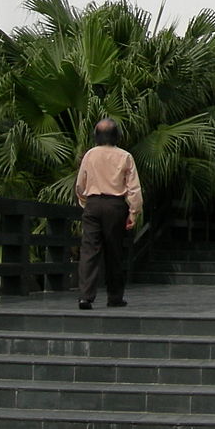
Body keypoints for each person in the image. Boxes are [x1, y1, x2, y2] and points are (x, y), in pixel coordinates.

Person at [74, 118, 143, 310]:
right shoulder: (125, 156)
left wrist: (85, 202)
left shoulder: (90, 155)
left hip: (93, 203)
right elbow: (134, 188)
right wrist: (134, 212)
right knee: (114, 252)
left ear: (96, 136)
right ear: (117, 136)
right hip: (115, 206)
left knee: (89, 250)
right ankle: (114, 297)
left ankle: (85, 297)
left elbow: (80, 183)